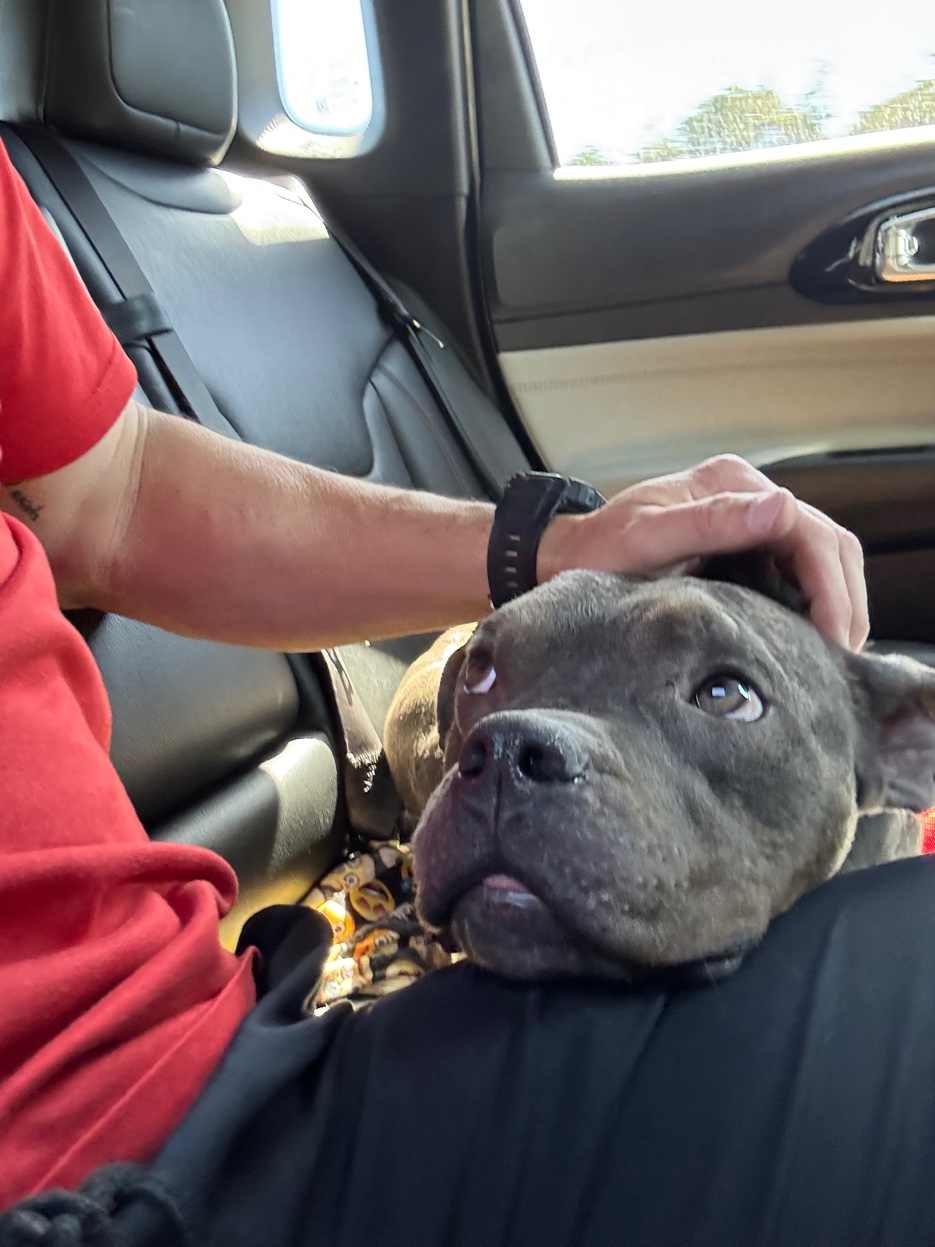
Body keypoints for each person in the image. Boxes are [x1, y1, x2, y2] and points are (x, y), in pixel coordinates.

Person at [0, 127, 878, 1235]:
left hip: (224, 1073)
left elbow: (105, 493)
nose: (502, 735)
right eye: (489, 689)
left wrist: (554, 543)